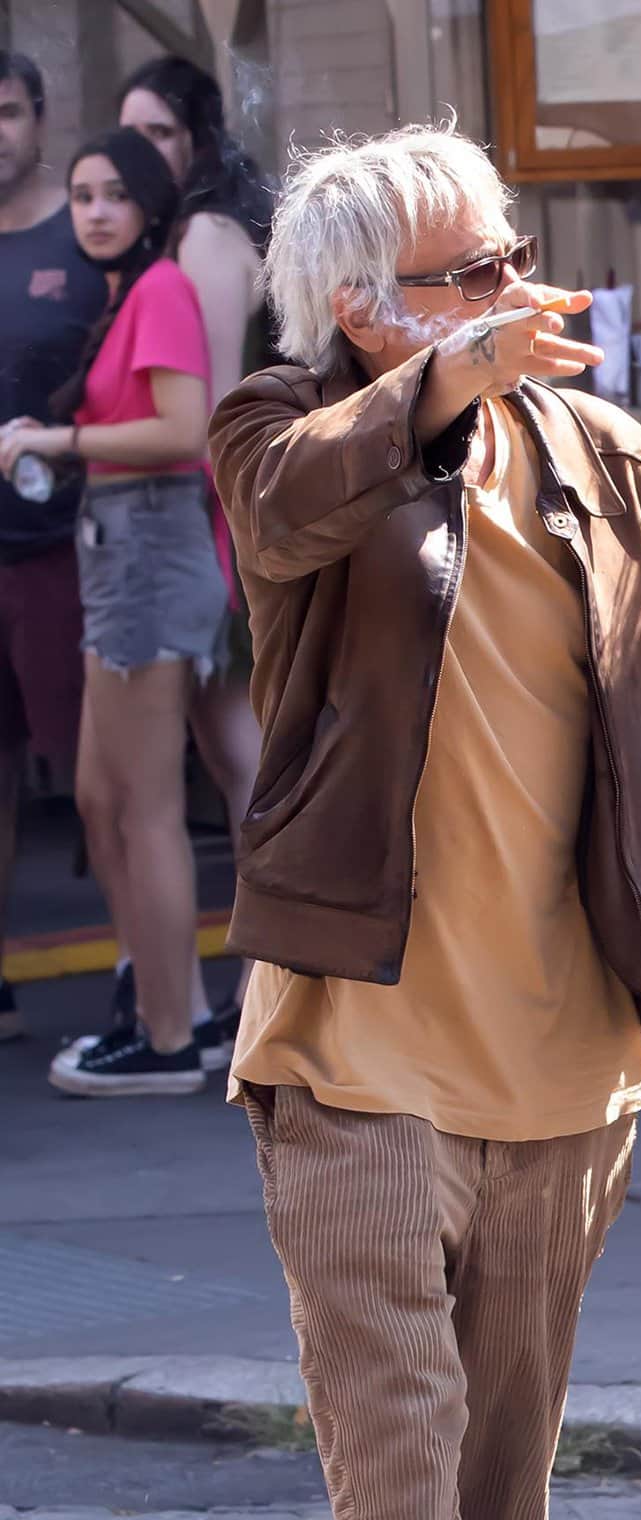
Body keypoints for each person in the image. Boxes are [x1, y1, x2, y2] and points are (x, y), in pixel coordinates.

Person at [208, 125, 641, 1520]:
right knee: (399, 1445)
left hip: (569, 1049)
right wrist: (429, 387)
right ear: (358, 309)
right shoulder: (287, 432)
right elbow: (286, 518)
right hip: (351, 1035)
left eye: (513, 259)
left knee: (505, 1456)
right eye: (461, 274)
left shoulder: (615, 462)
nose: (516, 293)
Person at [0, 128, 229, 1097]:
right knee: (101, 798)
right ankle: (169, 1009)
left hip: (146, 547)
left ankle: (172, 1037)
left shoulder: (164, 288)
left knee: (145, 810)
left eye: (115, 196)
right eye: (83, 195)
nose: (94, 212)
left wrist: (55, 436)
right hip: (117, 548)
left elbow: (187, 427)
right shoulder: (126, 293)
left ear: (150, 207)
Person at [117, 55, 275, 1053]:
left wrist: (223, 553)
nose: (147, 154)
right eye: (132, 136)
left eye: (162, 135)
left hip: (227, 514)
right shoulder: (184, 227)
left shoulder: (211, 231)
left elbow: (213, 406)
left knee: (246, 755)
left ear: (199, 140)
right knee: (233, 753)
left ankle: (286, 965)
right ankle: (278, 967)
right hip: (221, 515)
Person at [0, 49, 105, 1042]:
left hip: (65, 549)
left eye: (6, 112)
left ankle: (143, 977)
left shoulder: (83, 243)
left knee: (97, 773)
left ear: (38, 117)